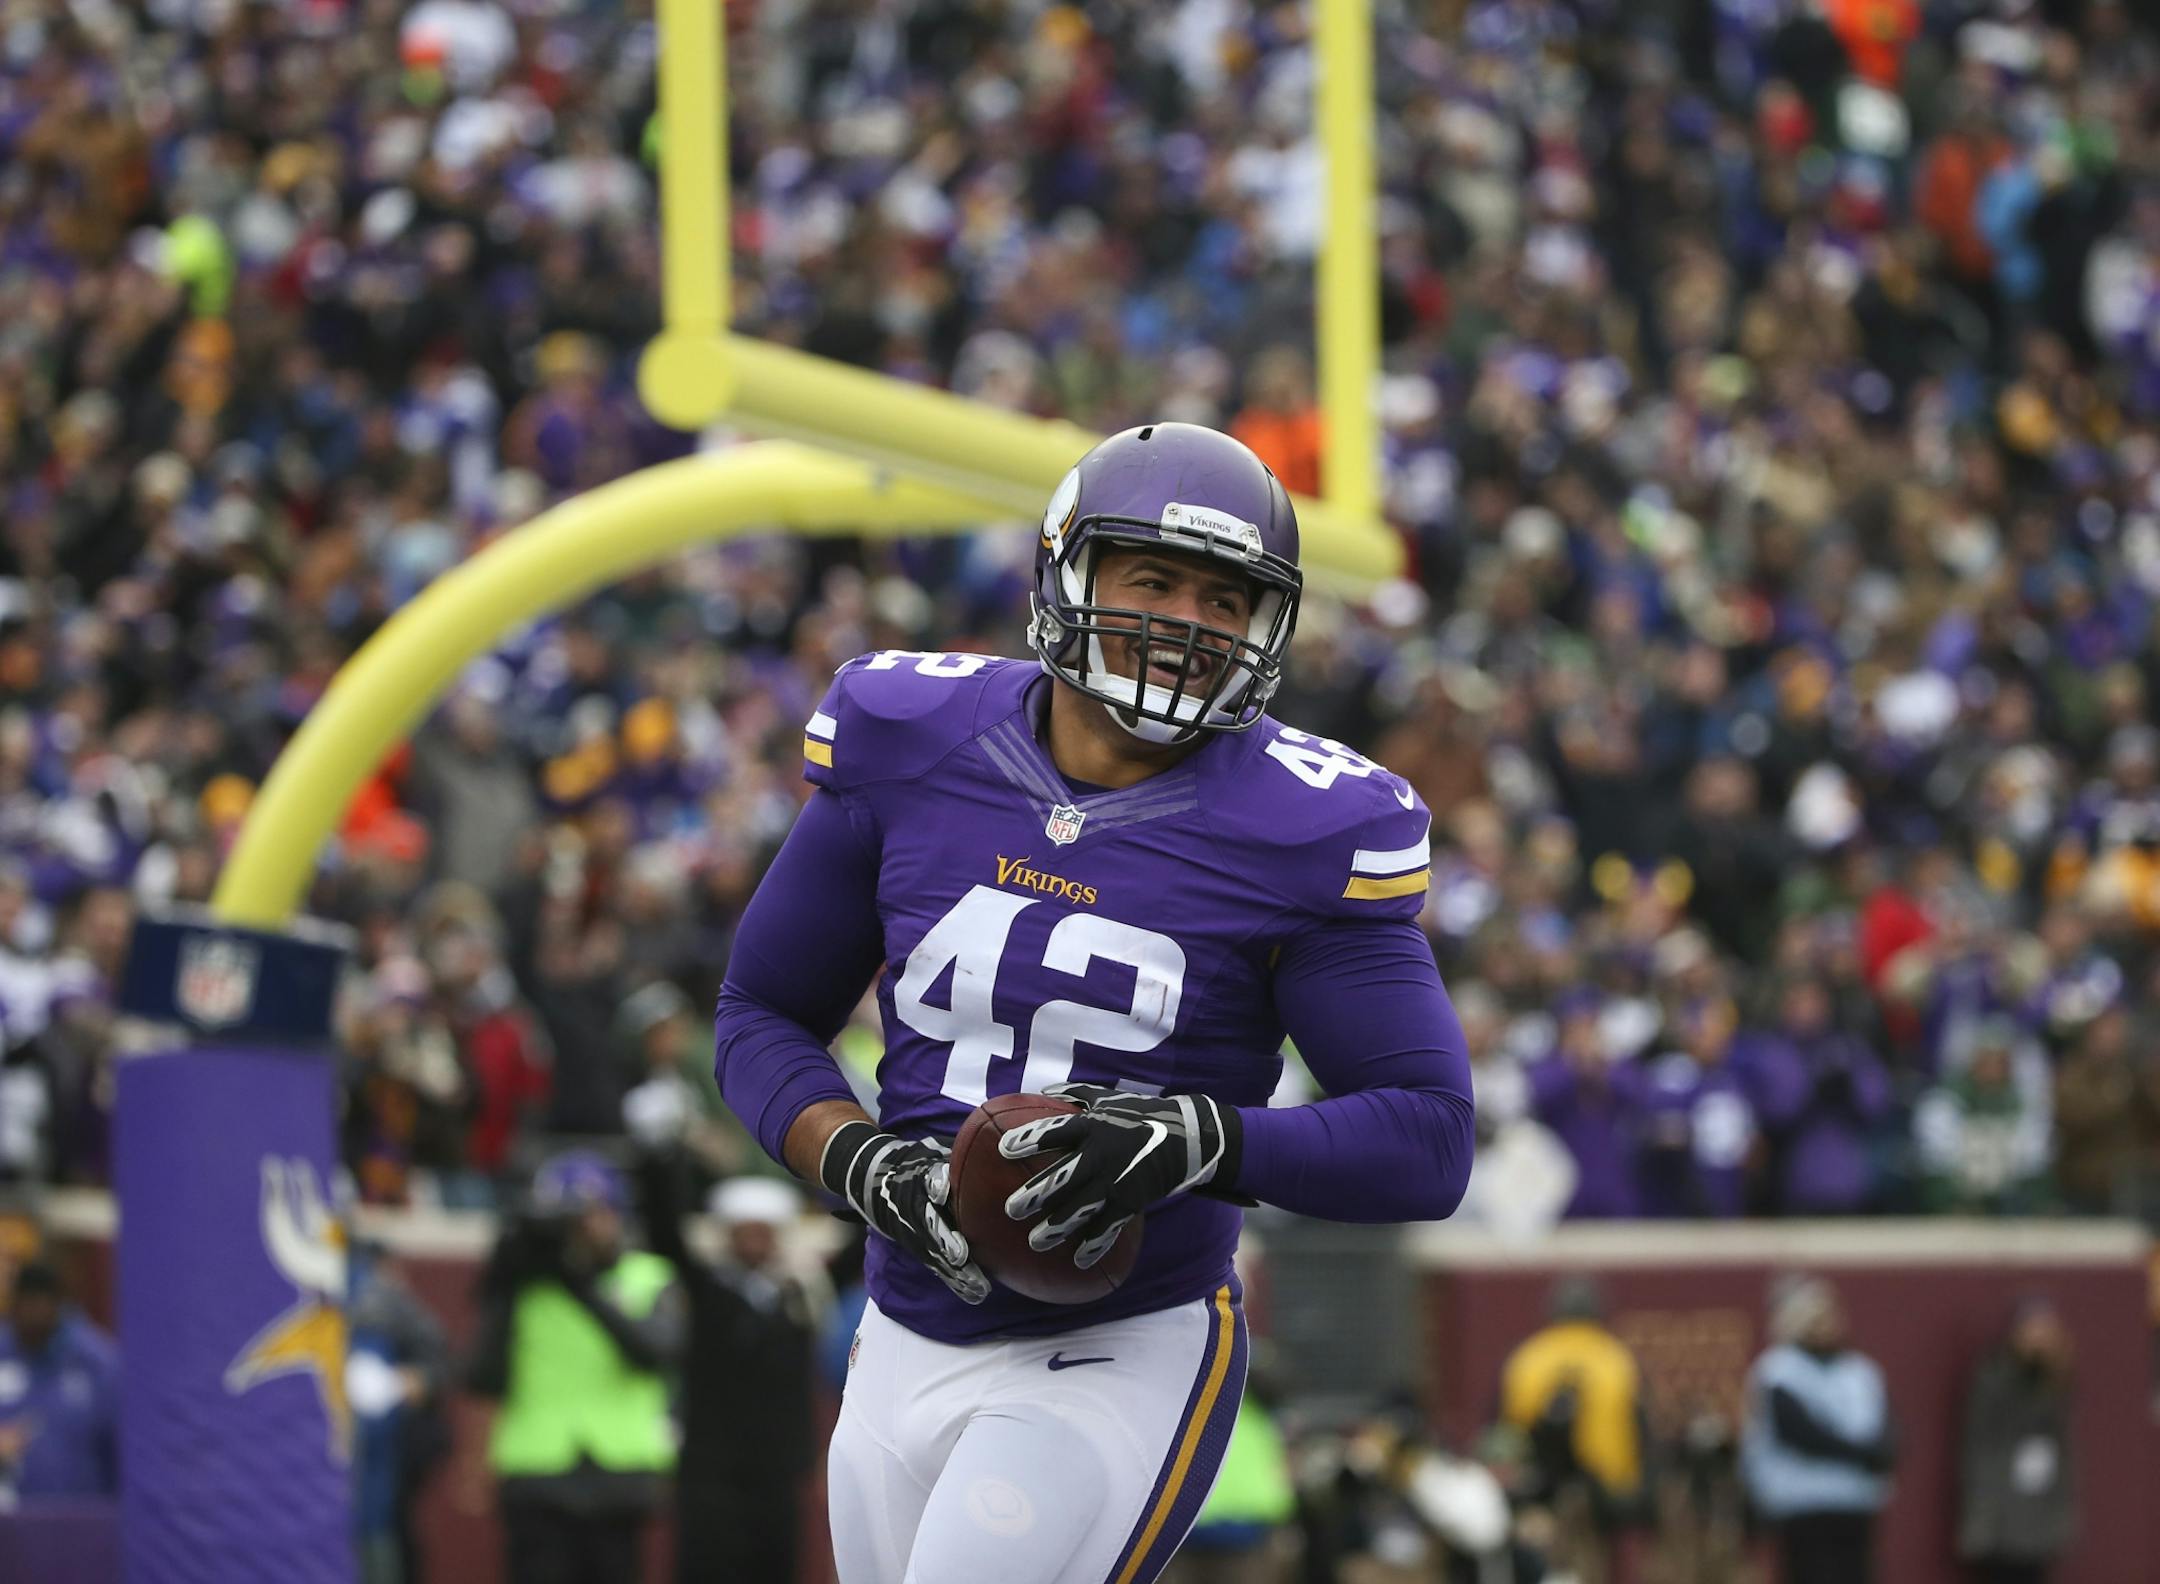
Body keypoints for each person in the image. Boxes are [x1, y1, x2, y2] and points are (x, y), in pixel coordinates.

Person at [712, 423, 1477, 1583]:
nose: (1186, 625)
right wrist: (861, 1164)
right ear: (1067, 572)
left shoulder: (1307, 828)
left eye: (1226, 600)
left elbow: (1427, 1135)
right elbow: (759, 1012)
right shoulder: (910, 742)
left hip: (1121, 1339)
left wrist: (1196, 1142)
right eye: (1154, 580)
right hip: (901, 1329)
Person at [465, 1150, 681, 1584]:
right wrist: (509, 1275)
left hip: (619, 1473)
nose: (583, 1229)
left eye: (593, 1214)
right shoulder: (525, 1283)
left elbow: (655, 1351)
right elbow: (483, 1374)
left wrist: (579, 1283)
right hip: (538, 1472)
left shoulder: (648, 1276)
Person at [638, 1150, 819, 1584]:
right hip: (711, 1471)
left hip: (777, 1471)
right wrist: (660, 1154)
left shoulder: (797, 1301)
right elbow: (664, 1235)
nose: (756, 1241)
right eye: (746, 1231)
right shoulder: (705, 1293)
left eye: (765, 1231)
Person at [1741, 1275, 1895, 1584]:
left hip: (1855, 1503)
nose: (1826, 1326)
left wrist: (1884, 1452)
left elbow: (1888, 1425)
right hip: (1801, 1504)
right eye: (1815, 1319)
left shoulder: (1860, 1371)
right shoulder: (1779, 1370)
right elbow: (1799, 1432)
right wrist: (1862, 1453)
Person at [1497, 1277, 1645, 1584]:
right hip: (1605, 1496)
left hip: (1538, 1496)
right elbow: (1639, 1436)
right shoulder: (1616, 1359)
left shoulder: (1528, 1358)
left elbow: (1507, 1434)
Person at [1957, 1298, 2076, 1584]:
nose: (2038, 1339)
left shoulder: (2055, 1379)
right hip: (2000, 1512)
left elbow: (2064, 1450)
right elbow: (1980, 1448)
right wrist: (1979, 1520)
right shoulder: (1995, 1375)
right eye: (2032, 1330)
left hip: (2039, 1507)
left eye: (2045, 1331)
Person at [0, 1258, 119, 1499]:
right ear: (14, 1305)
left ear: (59, 1305)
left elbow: (118, 1448)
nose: (33, 1312)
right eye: (27, 1303)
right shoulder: (4, 1351)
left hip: (80, 1520)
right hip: (9, 1523)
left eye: (41, 1303)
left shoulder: (95, 1362)